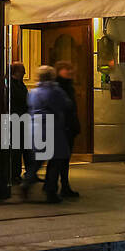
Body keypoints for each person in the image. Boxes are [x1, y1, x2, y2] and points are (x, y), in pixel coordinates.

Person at [26, 65, 70, 202]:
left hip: (36, 127)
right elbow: (66, 105)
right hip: (52, 127)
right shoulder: (55, 91)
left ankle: (26, 183)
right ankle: (51, 191)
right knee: (55, 160)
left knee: (38, 160)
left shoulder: (33, 92)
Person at [54, 61, 82, 198]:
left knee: (64, 159)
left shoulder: (68, 86)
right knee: (59, 159)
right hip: (62, 127)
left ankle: (63, 185)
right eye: (67, 69)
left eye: (71, 69)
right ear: (59, 71)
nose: (70, 72)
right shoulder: (59, 87)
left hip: (68, 127)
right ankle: (56, 187)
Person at [8, 62, 38, 184]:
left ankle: (26, 173)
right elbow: (21, 100)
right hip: (16, 121)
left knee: (24, 148)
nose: (25, 73)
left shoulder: (17, 84)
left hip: (21, 120)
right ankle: (16, 174)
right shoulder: (13, 85)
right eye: (23, 70)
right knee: (17, 150)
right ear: (17, 72)